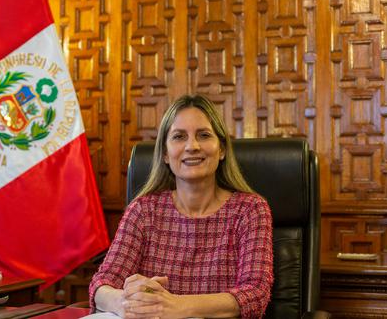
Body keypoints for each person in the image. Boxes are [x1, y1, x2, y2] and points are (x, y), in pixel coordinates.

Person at [89, 95, 273, 319]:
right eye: (179, 137)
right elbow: (102, 283)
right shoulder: (144, 211)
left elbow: (255, 294)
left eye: (204, 135)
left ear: (222, 149)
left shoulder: (250, 210)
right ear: (165, 154)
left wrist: (175, 305)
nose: (192, 146)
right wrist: (124, 302)